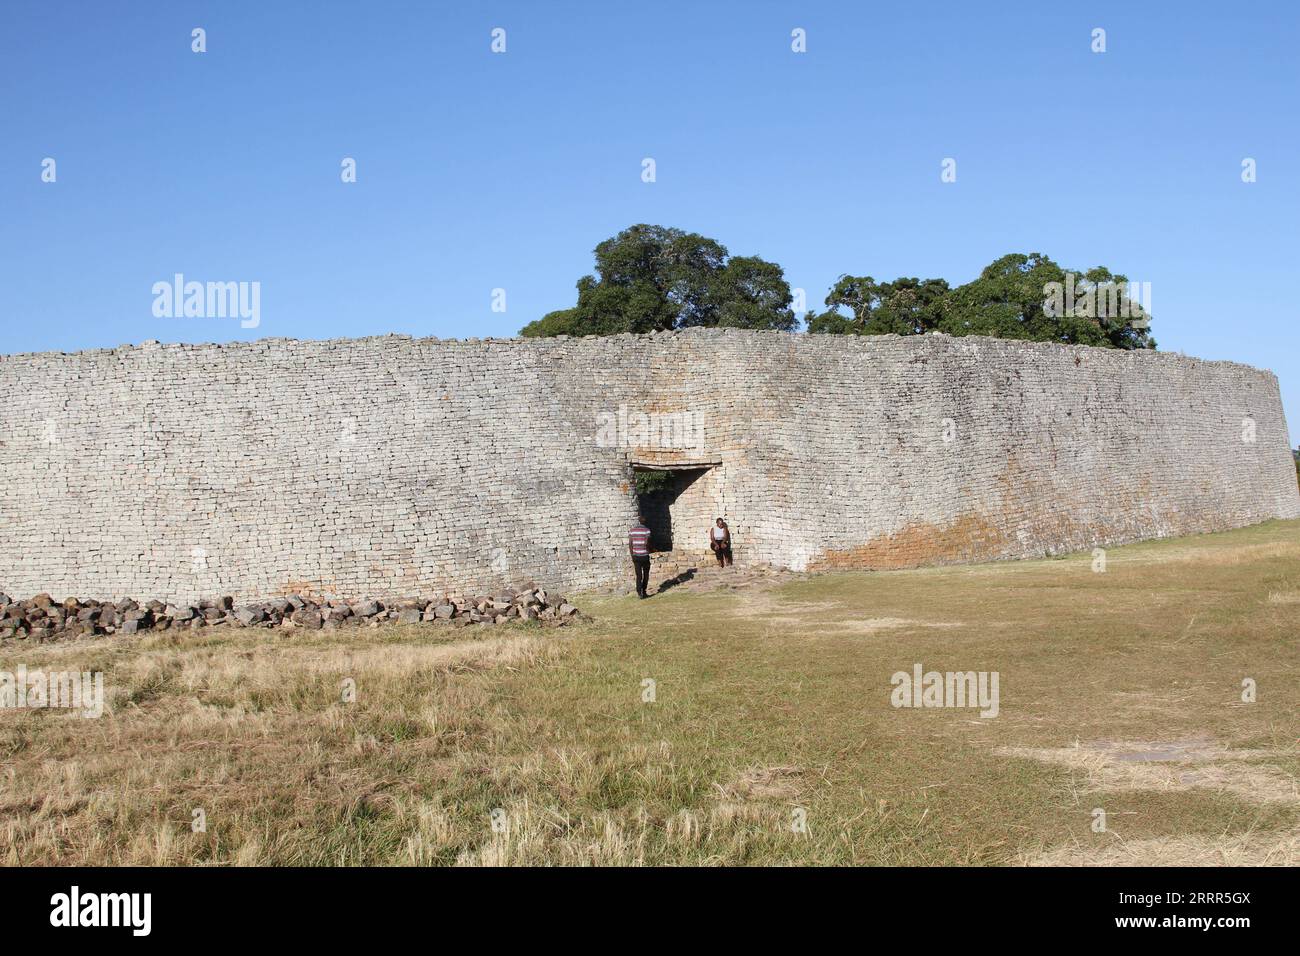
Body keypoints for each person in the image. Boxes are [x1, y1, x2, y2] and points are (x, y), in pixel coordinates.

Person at [629, 516, 652, 598]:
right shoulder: (647, 530)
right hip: (644, 555)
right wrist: (650, 550)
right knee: (646, 574)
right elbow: (647, 543)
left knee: (638, 575)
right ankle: (644, 591)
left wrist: (632, 555)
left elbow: (630, 544)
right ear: (645, 521)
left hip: (636, 556)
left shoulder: (632, 531)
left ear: (638, 521)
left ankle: (639, 593)